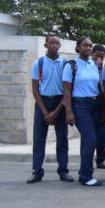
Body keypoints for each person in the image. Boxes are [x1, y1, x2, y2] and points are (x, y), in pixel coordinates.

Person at [28, 34, 71, 184]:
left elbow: (67, 90)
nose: (54, 45)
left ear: (60, 45)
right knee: (39, 139)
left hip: (61, 102)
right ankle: (37, 172)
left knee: (62, 139)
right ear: (45, 45)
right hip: (43, 103)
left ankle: (63, 171)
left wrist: (57, 111)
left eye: (57, 43)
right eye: (51, 43)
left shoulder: (65, 63)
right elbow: (35, 89)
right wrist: (46, 112)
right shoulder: (38, 63)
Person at [62, 36, 104, 187]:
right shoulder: (71, 65)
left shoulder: (94, 64)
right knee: (91, 139)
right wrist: (69, 112)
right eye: (85, 45)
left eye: (90, 45)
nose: (88, 48)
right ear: (78, 47)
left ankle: (83, 173)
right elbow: (66, 90)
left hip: (95, 105)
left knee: (87, 141)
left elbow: (99, 86)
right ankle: (86, 176)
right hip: (80, 105)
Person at [92, 44, 105, 171]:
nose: (99, 59)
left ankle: (101, 159)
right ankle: (86, 159)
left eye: (102, 57)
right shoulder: (89, 67)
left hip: (102, 102)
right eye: (97, 56)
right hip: (90, 102)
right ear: (92, 54)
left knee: (101, 131)